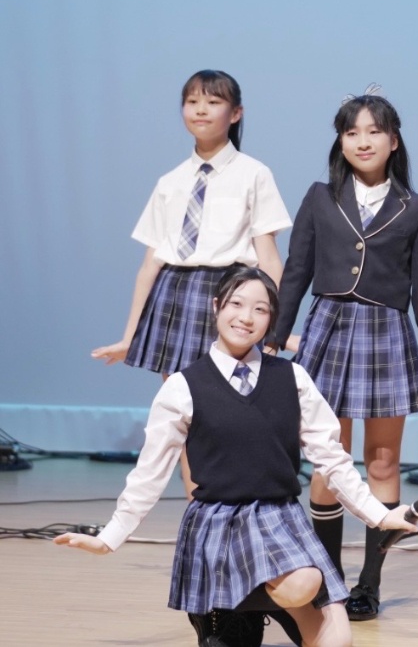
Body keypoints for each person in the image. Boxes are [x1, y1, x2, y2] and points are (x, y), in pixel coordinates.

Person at [56, 266, 418, 647]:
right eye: (236, 304)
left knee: (336, 637)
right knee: (288, 595)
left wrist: (380, 515)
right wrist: (110, 537)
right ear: (217, 306)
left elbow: (333, 459)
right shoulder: (182, 387)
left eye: (260, 310)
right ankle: (229, 607)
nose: (246, 317)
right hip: (220, 524)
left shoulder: (293, 378)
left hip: (281, 521)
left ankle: (258, 599)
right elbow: (149, 475)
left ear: (271, 320)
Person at [89, 69, 293, 643]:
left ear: (236, 112)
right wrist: (131, 333)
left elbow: (268, 257)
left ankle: (249, 564)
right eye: (192, 101)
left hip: (231, 293)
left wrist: (273, 325)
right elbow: (151, 262)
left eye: (213, 101)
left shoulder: (253, 174)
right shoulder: (171, 180)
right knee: (187, 435)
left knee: (235, 424)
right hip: (176, 297)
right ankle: (211, 572)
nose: (200, 110)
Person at [273, 86, 418, 621]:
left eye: (374, 131)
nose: (363, 141)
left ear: (394, 141)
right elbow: (296, 271)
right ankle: (329, 579)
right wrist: (275, 338)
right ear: (340, 141)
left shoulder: (417, 208)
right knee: (328, 456)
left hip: (387, 334)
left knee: (383, 459)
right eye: (352, 132)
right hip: (328, 328)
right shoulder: (319, 196)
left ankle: (369, 585)